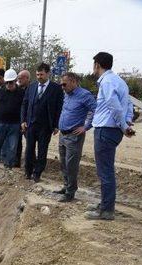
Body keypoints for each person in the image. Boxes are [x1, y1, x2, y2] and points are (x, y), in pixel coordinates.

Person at [86, 52, 135, 221]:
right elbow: (128, 104)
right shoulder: (120, 81)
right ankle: (105, 205)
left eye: (94, 65)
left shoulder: (107, 82)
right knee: (106, 170)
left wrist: (124, 126)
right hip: (111, 130)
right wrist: (127, 122)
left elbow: (114, 107)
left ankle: (107, 210)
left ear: (97, 65)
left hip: (106, 130)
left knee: (105, 171)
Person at [55, 72, 96, 202]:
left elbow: (96, 110)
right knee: (63, 163)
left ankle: (70, 192)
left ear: (73, 81)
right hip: (63, 134)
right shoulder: (66, 95)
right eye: (61, 84)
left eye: (64, 84)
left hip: (74, 136)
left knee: (71, 164)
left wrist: (86, 127)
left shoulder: (84, 95)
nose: (62, 87)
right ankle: (66, 186)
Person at [21, 63, 64, 182]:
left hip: (46, 126)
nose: (39, 76)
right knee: (29, 149)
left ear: (48, 73)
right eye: (37, 74)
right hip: (30, 124)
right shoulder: (32, 87)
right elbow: (25, 104)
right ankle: (28, 171)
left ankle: (37, 173)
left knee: (42, 150)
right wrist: (23, 120)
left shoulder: (56, 89)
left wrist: (56, 125)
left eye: (41, 74)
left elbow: (58, 108)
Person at [0, 69, 25, 169]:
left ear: (15, 81)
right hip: (1, 123)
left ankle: (8, 166)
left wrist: (22, 123)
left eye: (11, 82)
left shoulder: (21, 93)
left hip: (15, 124)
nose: (9, 84)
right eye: (7, 82)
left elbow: (24, 108)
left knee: (12, 147)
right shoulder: (1, 92)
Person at [14, 70, 31, 167]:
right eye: (18, 78)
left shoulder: (32, 89)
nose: (18, 80)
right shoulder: (16, 89)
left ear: (27, 78)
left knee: (29, 143)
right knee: (17, 142)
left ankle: (29, 163)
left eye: (21, 78)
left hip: (27, 121)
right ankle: (17, 161)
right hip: (17, 120)